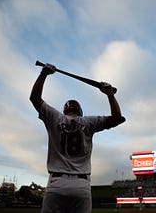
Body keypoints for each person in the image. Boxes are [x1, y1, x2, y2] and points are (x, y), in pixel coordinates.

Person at [30, 63, 125, 213]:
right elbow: (117, 118)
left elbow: (34, 98)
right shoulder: (89, 122)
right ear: (80, 111)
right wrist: (110, 94)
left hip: (56, 183)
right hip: (81, 185)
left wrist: (44, 73)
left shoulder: (54, 117)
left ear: (65, 110)